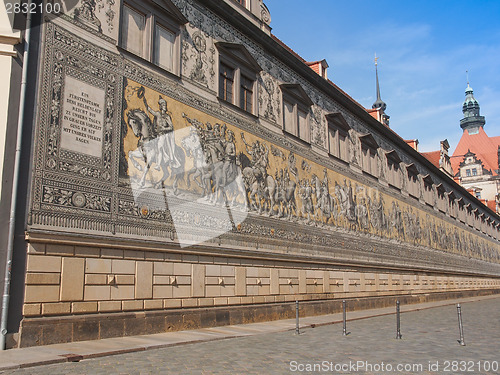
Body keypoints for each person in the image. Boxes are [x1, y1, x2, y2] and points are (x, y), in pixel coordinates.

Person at [143, 95, 180, 169]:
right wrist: (145, 103)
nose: (164, 106)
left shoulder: (167, 117)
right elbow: (151, 111)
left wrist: (164, 129)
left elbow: (171, 127)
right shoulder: (157, 114)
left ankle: (158, 165)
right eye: (163, 105)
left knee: (159, 147)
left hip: (163, 135)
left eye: (165, 105)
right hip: (155, 134)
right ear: (160, 106)